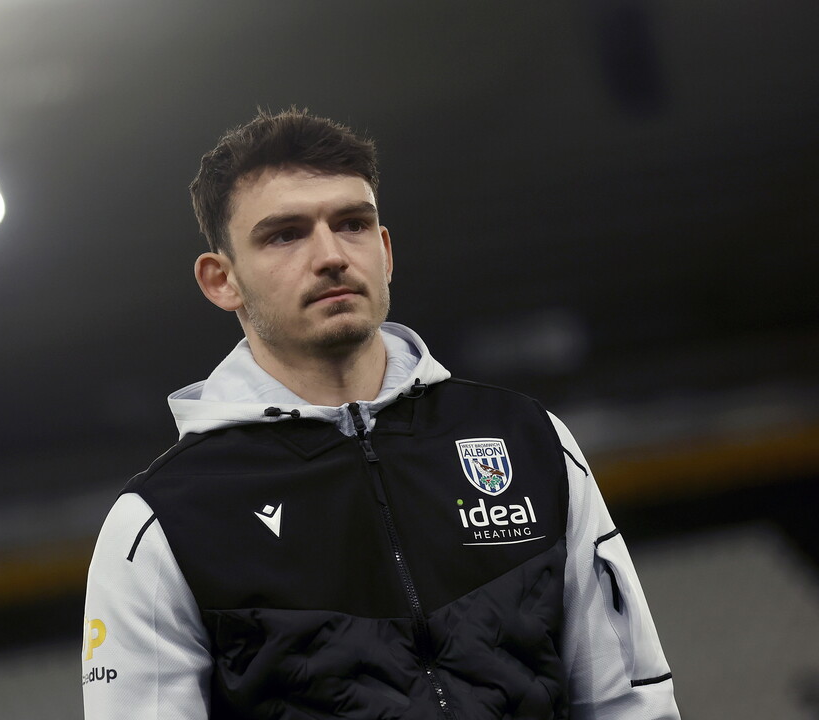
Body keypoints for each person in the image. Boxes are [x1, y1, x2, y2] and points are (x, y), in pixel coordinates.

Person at [82, 108, 680, 719]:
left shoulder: (529, 439)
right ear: (221, 280)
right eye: (285, 234)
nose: (331, 255)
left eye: (352, 224)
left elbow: (628, 702)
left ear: (385, 250)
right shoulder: (161, 523)